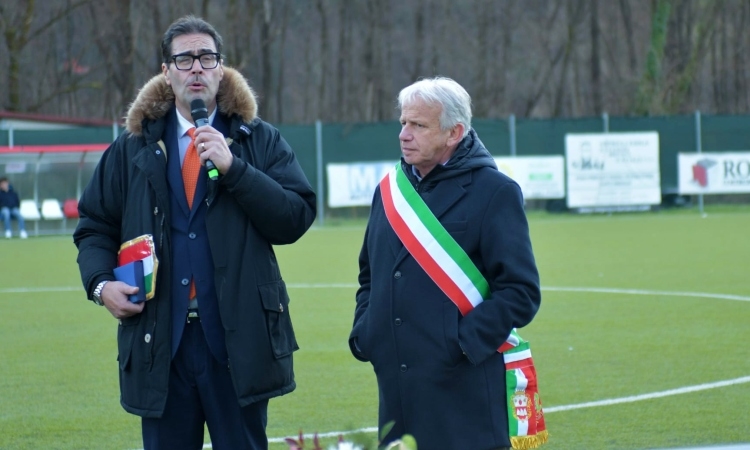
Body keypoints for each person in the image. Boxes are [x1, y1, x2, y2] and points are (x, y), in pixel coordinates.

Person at [73, 15, 316, 450]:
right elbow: (93, 227)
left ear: (221, 68)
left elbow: (295, 217)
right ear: (166, 72)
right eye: (184, 59)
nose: (197, 68)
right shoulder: (131, 148)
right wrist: (100, 284)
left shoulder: (256, 140)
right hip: (160, 346)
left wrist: (235, 169)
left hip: (236, 344)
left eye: (207, 57)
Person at [349, 77, 543, 450]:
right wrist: (366, 331)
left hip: (463, 389)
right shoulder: (389, 191)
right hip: (397, 390)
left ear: (454, 132)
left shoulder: (495, 191)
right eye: (403, 123)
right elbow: (369, 275)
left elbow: (520, 292)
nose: (404, 135)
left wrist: (459, 344)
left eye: (418, 125)